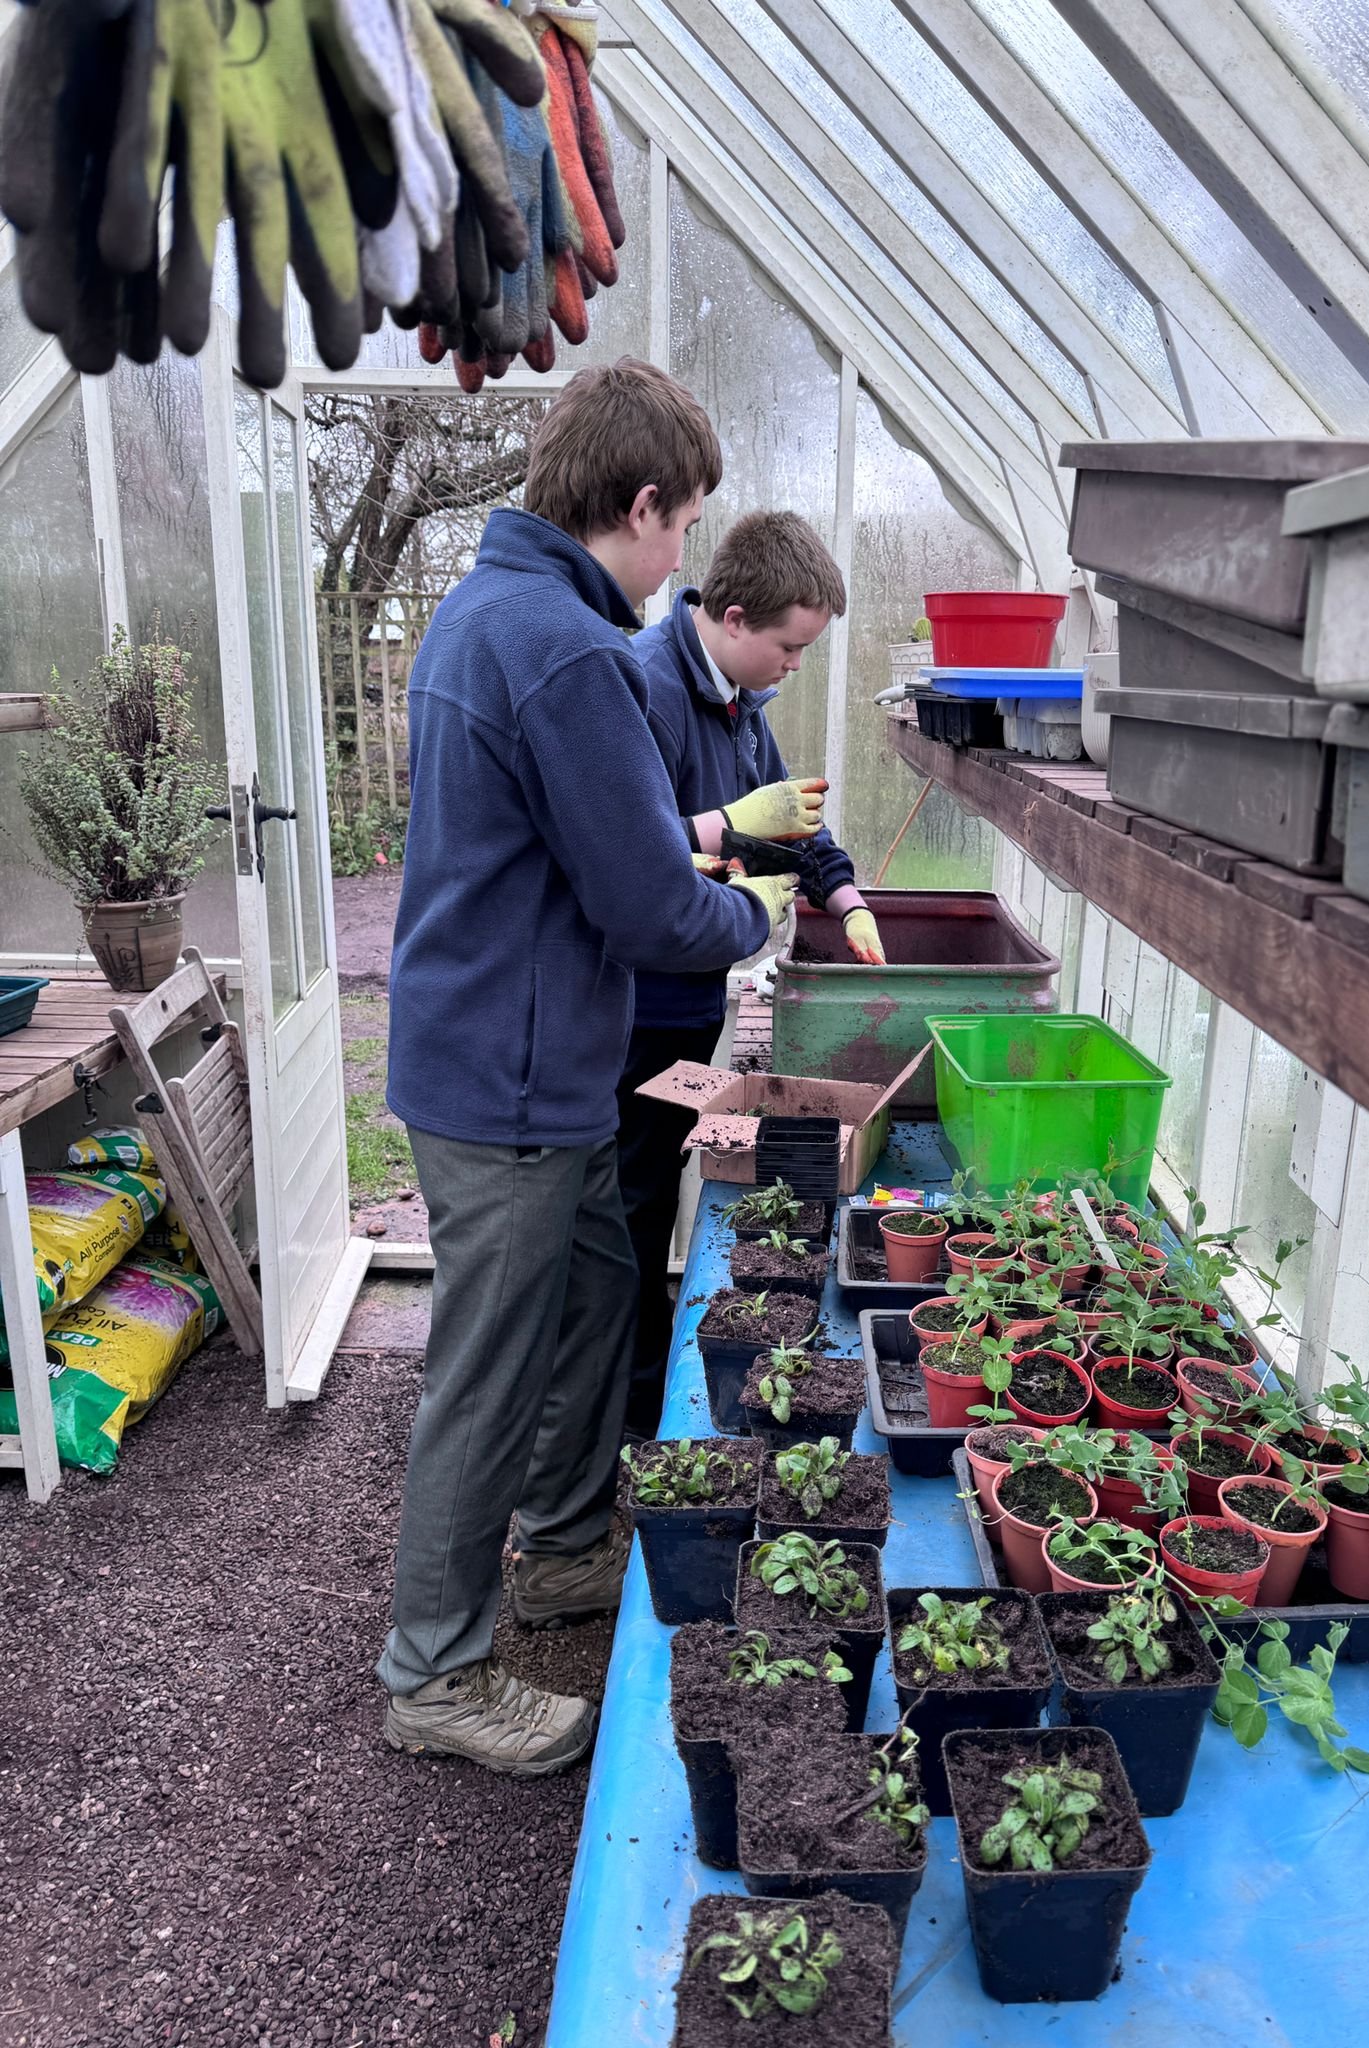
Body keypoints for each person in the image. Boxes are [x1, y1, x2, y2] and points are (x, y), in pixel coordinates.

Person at [378, 361, 797, 1776]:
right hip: (508, 1070)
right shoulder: (564, 649)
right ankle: (433, 1672)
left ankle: (562, 1548)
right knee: (487, 1371)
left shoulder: (493, 612)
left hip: (507, 1049)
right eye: (684, 528)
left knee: (601, 1284)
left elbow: (592, 848)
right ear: (638, 505)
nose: (686, 559)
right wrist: (757, 914)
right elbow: (646, 903)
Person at [616, 510, 886, 1438]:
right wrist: (732, 849)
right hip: (632, 1013)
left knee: (656, 1207)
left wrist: (845, 898)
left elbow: (793, 826)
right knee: (629, 1217)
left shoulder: (739, 701)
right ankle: (619, 1426)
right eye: (790, 646)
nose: (795, 667)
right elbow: (637, 870)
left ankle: (638, 1401)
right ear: (733, 618)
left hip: (691, 998)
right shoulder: (643, 691)